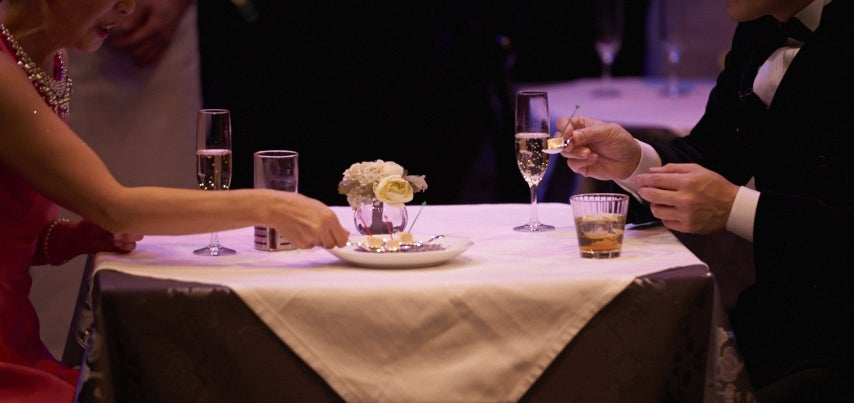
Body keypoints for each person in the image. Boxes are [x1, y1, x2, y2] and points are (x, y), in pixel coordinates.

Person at [0, 0, 349, 400]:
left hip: (19, 339)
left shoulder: (47, 60)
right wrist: (271, 207)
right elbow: (116, 207)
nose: (129, 6)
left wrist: (71, 238)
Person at [556, 0, 852, 400]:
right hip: (779, 321)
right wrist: (634, 162)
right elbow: (714, 151)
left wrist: (733, 208)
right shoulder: (759, 29)